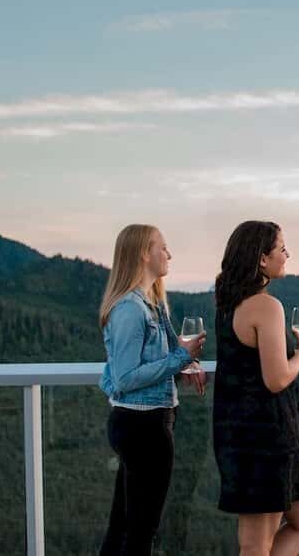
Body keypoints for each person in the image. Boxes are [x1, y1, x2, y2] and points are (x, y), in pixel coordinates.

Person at [213, 220, 299, 556]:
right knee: (254, 546)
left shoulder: (229, 304)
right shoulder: (266, 306)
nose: (287, 254)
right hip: (263, 438)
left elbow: (248, 361)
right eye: (281, 249)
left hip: (245, 432)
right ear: (262, 259)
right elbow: (275, 379)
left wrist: (290, 354)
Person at [98, 224, 207, 556]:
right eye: (163, 247)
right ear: (144, 253)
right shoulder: (132, 309)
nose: (169, 253)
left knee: (125, 527)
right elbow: (125, 377)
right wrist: (180, 359)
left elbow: (118, 372)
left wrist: (186, 363)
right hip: (143, 426)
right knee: (141, 531)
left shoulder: (152, 303)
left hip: (143, 424)